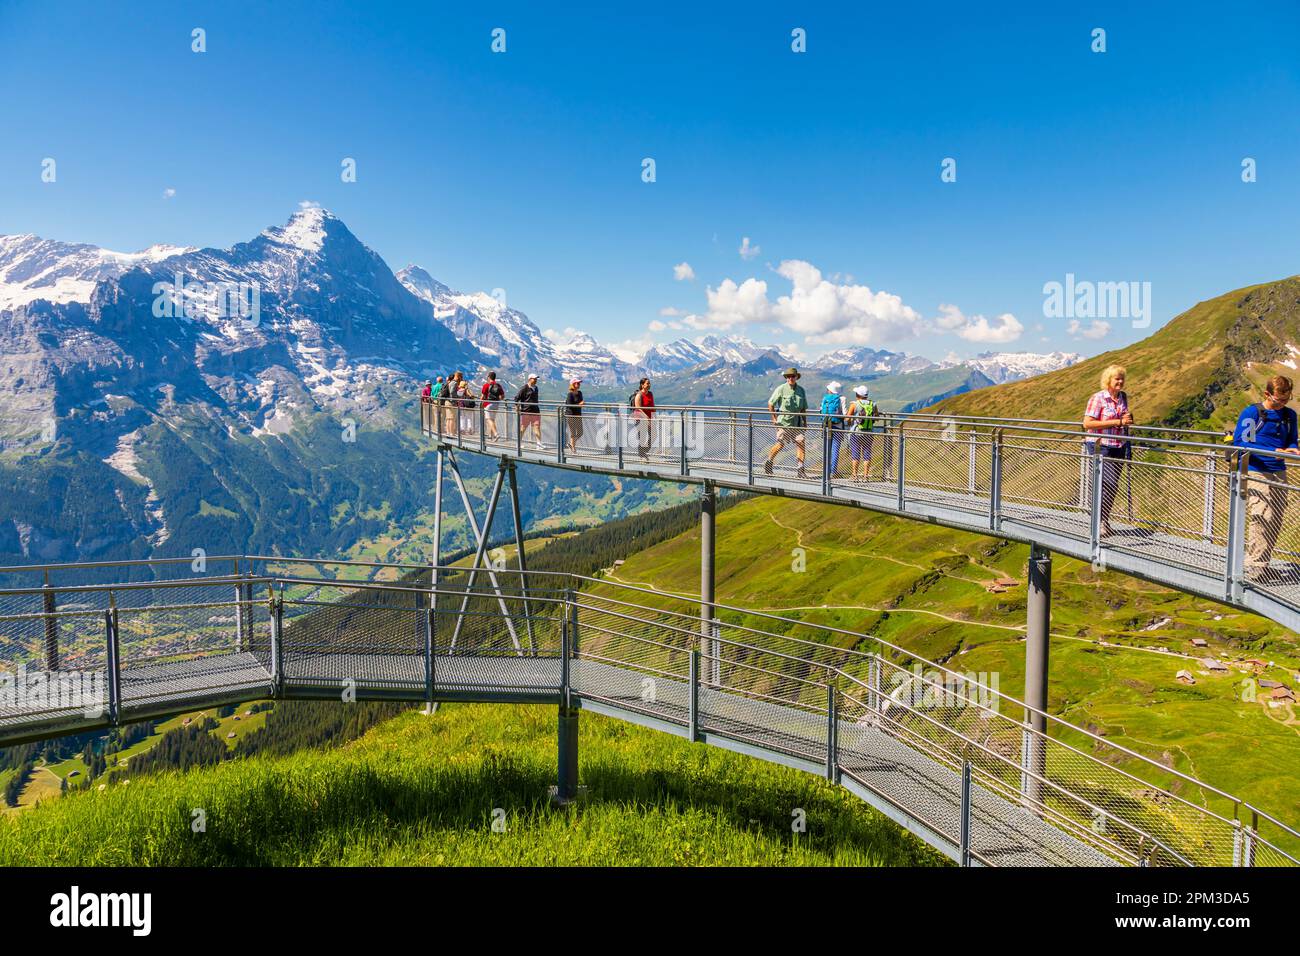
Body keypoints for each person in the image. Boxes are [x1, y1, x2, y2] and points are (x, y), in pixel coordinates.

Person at [1233, 375, 1300, 582]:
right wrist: (1272, 451)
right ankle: (1254, 565)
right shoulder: (1253, 413)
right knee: (1262, 514)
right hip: (1255, 468)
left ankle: (1263, 562)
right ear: (1267, 394)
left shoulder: (1289, 415)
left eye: (1286, 399)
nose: (1282, 404)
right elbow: (1241, 442)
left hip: (1278, 469)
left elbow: (1292, 440)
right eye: (1279, 400)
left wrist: (1293, 450)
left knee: (1277, 517)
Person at [1083, 365, 1135, 537]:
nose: (1120, 381)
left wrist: (1126, 420)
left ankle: (1103, 520)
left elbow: (1122, 417)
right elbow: (1088, 424)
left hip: (1118, 445)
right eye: (1117, 379)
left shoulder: (1122, 397)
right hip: (1100, 445)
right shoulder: (1098, 398)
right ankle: (1098, 522)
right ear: (1108, 380)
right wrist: (1117, 422)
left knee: (1112, 487)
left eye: (1122, 378)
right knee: (1108, 483)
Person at [765, 367, 809, 479]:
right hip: (783, 423)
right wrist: (774, 418)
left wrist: (805, 421)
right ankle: (769, 462)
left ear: (796, 377)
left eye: (792, 376)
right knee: (780, 444)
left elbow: (803, 408)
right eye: (788, 376)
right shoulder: (781, 389)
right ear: (786, 378)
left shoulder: (801, 390)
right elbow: (771, 404)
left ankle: (800, 469)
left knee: (801, 444)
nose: (790, 378)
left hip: (797, 422)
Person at [847, 385, 876, 482]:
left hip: (856, 432)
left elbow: (847, 418)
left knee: (855, 453)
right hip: (869, 432)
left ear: (857, 394)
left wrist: (850, 421)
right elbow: (877, 417)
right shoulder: (873, 404)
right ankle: (866, 476)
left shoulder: (854, 404)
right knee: (867, 453)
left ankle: (855, 475)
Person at [820, 381, 847, 480]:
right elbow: (844, 413)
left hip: (826, 425)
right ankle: (833, 472)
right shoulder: (842, 398)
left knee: (827, 449)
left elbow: (820, 410)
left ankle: (826, 471)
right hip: (838, 426)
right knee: (835, 449)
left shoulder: (825, 398)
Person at [515, 374, 542, 448]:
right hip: (526, 411)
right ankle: (518, 443)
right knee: (523, 428)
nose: (536, 380)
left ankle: (539, 444)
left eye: (536, 379)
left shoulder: (536, 388)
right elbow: (517, 398)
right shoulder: (524, 388)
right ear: (530, 379)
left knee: (537, 426)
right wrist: (517, 407)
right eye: (534, 379)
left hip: (536, 411)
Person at [632, 377, 655, 459]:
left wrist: (654, 416)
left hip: (649, 418)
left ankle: (643, 452)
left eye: (649, 383)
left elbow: (652, 405)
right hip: (640, 418)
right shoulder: (639, 395)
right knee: (642, 437)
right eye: (647, 383)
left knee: (653, 435)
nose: (649, 385)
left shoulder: (650, 394)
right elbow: (638, 408)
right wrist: (646, 417)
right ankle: (642, 453)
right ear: (642, 385)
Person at [481, 371, 506, 441]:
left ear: (488, 377)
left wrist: (481, 403)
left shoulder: (486, 385)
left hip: (488, 404)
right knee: (492, 420)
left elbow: (482, 397)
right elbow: (502, 396)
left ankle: (496, 434)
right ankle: (491, 436)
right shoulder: (498, 385)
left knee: (488, 419)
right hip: (496, 404)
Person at [564, 378, 585, 452]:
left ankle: (571, 444)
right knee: (573, 432)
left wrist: (581, 404)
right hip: (571, 415)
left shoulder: (580, 393)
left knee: (580, 432)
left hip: (578, 414)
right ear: (573, 384)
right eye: (577, 383)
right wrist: (579, 404)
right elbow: (569, 405)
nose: (579, 384)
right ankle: (573, 448)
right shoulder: (570, 394)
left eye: (579, 383)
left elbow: (581, 402)